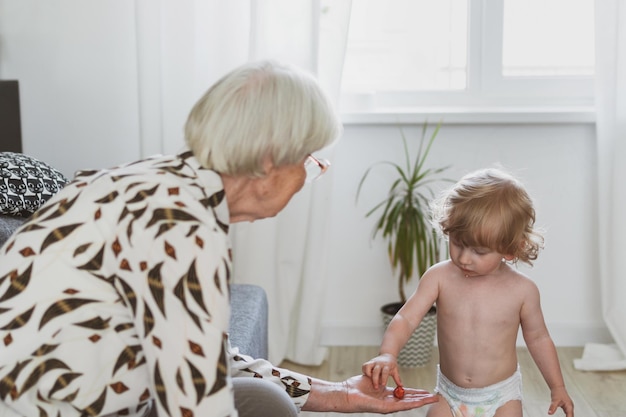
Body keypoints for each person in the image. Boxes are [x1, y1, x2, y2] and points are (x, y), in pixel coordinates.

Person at [0, 60, 438, 417]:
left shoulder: (166, 184)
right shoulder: (181, 228)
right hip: (52, 406)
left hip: (79, 391)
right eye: (310, 161)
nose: (308, 176)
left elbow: (201, 350)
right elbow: (197, 407)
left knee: (265, 400)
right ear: (269, 163)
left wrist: (335, 392)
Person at [362, 168, 574, 417]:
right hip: (449, 394)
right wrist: (388, 353)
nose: (463, 258)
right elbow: (406, 318)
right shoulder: (439, 277)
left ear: (510, 250)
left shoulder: (523, 291)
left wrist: (557, 386)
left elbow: (538, 339)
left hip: (501, 397)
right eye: (457, 243)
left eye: (479, 252)